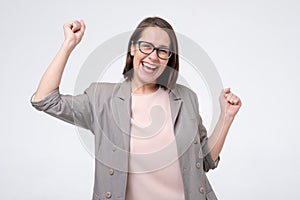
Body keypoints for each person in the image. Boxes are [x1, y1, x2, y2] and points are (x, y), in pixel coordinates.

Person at [31, 17, 241, 200]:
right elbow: (45, 100)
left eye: (163, 51)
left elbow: (205, 161)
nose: (153, 56)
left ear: (170, 58)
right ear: (132, 48)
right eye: (146, 46)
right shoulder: (101, 98)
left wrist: (226, 117)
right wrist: (69, 44)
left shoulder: (186, 98)